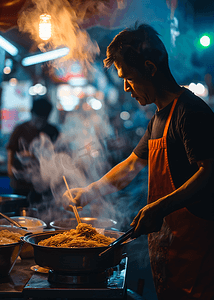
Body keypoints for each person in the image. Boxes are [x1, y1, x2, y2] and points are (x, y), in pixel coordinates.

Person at [62, 23, 214, 300]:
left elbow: (210, 171)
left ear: (150, 68)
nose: (126, 87)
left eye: (127, 77)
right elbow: (132, 165)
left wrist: (159, 207)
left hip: (199, 254)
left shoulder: (190, 112)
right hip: (172, 249)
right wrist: (89, 191)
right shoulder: (158, 118)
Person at [7, 97, 59, 204]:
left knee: (44, 211)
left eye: (43, 119)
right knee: (20, 210)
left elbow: (58, 155)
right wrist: (10, 172)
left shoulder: (52, 131)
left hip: (45, 183)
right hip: (21, 182)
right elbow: (11, 150)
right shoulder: (20, 129)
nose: (40, 122)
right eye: (37, 119)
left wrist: (35, 156)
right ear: (31, 113)